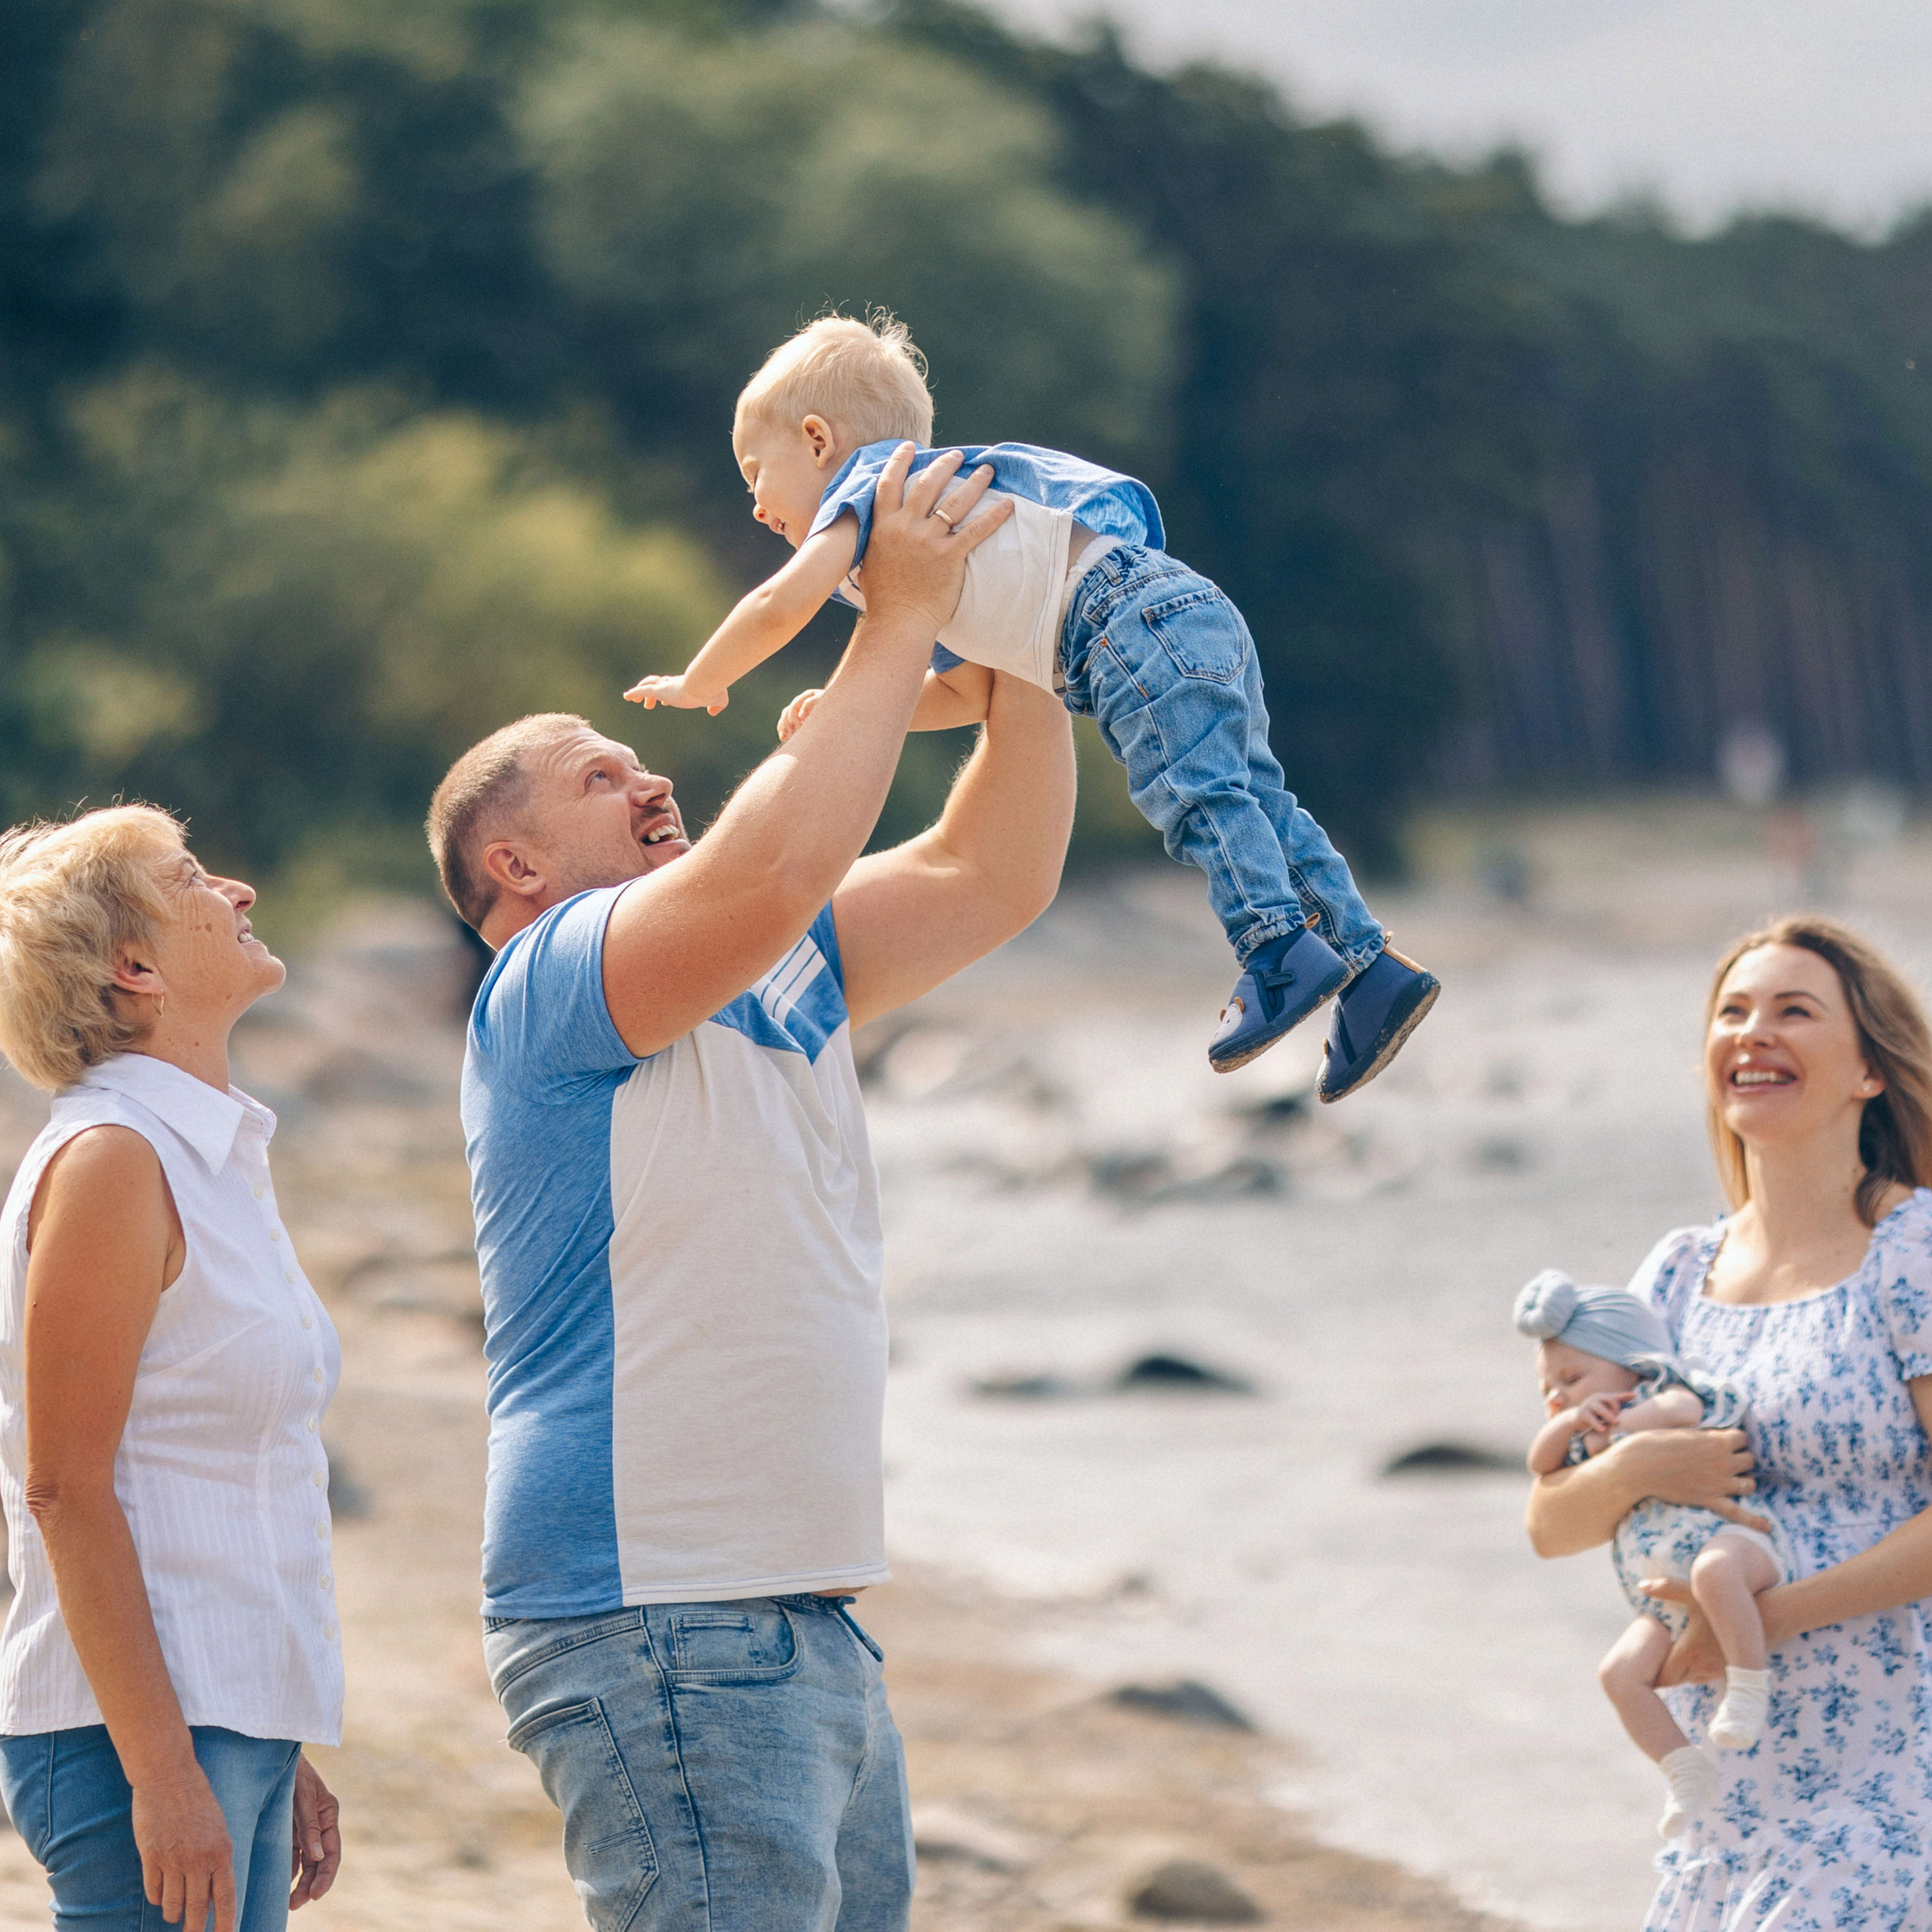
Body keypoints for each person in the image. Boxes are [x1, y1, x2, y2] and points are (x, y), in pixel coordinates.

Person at [426, 444, 1073, 1931]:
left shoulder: (778, 963)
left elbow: (998, 872)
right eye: (602, 773)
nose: (648, 770)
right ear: (513, 862)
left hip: (788, 1608)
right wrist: (894, 611)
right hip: (657, 1607)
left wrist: (1024, 638)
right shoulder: (549, 974)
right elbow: (776, 861)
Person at [624, 312, 1438, 1095]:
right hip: (1174, 610)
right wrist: (853, 710)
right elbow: (970, 689)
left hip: (1118, 624)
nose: (756, 505)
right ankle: (1369, 975)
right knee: (1261, 800)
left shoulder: (871, 490)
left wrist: (702, 680)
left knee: (1199, 798)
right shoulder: (929, 534)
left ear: (816, 440)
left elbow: (777, 604)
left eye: (754, 474)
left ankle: (1274, 954)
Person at [1525, 915, 1932, 1929]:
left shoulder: (1912, 1249)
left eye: (1795, 1011)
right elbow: (1552, 1524)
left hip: (1901, 1748)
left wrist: (1761, 1623)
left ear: (1868, 1071)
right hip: (1735, 1774)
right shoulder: (1673, 1274)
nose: (1754, 1033)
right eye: (1733, 1013)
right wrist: (1636, 1469)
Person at [0, 805, 344, 1932]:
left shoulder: (216, 1157)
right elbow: (65, 1488)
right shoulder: (112, 1160)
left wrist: (273, 1739)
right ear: (132, 967)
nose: (236, 888)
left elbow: (226, 1476)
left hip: (221, 1723)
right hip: (125, 1741)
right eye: (192, 876)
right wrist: (164, 1774)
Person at [1514, 1270, 1793, 1838]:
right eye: (1549, 1389)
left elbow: (1681, 1415)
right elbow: (1540, 1466)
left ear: (1632, 1363)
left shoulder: (1661, 1394)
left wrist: (1607, 1436)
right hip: (1662, 1598)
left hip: (1738, 1546)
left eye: (1572, 1377)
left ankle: (1747, 1686)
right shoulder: (1583, 1426)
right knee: (1618, 1673)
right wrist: (1569, 1419)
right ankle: (1682, 1769)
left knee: (1716, 1573)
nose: (1560, 1394)